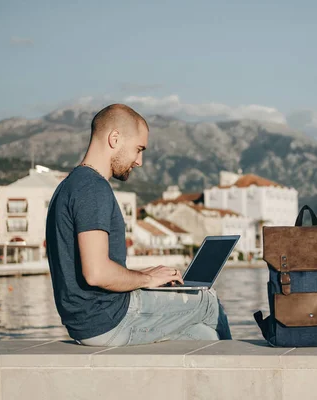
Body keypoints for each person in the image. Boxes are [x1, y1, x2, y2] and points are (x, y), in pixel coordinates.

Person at [45, 104, 231, 346]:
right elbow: (96, 273)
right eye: (138, 149)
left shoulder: (69, 185)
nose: (140, 161)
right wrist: (146, 281)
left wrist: (144, 274)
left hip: (87, 325)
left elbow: (88, 266)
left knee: (203, 336)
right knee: (208, 301)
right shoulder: (93, 188)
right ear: (114, 139)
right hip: (109, 318)